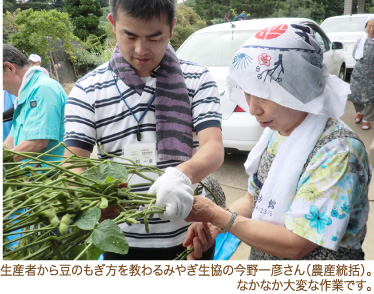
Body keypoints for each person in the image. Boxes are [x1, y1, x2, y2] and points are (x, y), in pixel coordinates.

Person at [182, 23, 371, 260]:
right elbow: (253, 199)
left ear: (299, 88)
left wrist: (217, 215)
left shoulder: (339, 151)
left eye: (265, 94)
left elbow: (297, 244)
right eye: (247, 93)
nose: (253, 108)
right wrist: (215, 224)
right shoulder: (277, 131)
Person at [63, 0, 224, 260]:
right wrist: (93, 204)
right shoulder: (87, 90)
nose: (141, 49)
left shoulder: (197, 79)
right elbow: (73, 163)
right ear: (113, 25)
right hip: (122, 242)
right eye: (130, 35)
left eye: (154, 37)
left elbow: (213, 148)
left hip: (190, 234)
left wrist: (179, 177)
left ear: (171, 28)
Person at [3, 44, 67, 163]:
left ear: (9, 68)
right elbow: (12, 137)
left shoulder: (43, 89)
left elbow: (37, 142)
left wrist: (4, 162)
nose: (2, 88)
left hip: (49, 177)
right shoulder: (25, 94)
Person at [349, 16, 374, 130]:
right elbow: (355, 56)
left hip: (372, 75)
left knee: (371, 98)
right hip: (359, 72)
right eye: (369, 26)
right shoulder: (361, 40)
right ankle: (360, 111)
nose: (371, 29)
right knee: (353, 94)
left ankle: (366, 119)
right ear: (366, 27)